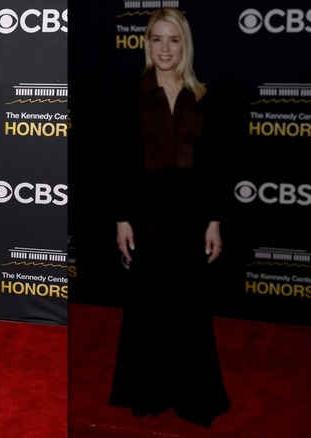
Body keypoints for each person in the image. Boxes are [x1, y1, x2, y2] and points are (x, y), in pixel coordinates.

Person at [108, 7, 231, 428]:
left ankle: (190, 391)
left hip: (191, 212)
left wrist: (214, 221)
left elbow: (213, 166)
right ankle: (148, 390)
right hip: (145, 212)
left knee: (189, 301)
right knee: (149, 298)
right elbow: (119, 161)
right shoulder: (130, 94)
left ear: (185, 44)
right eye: (157, 39)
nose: (165, 48)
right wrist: (122, 218)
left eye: (173, 40)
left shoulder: (204, 96)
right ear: (147, 44)